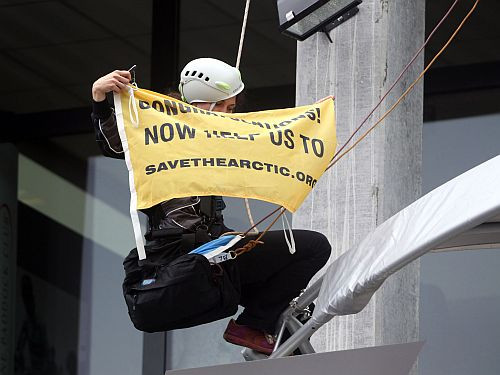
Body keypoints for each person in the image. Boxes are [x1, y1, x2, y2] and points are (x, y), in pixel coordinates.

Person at [91, 57, 331, 355]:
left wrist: (308, 129)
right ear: (205, 102)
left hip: (217, 247)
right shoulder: (161, 133)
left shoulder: (215, 136)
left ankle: (263, 329)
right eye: (224, 107)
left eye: (232, 110)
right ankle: (253, 326)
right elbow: (118, 144)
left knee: (280, 299)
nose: (228, 116)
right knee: (314, 247)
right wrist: (101, 100)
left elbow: (264, 143)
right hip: (184, 251)